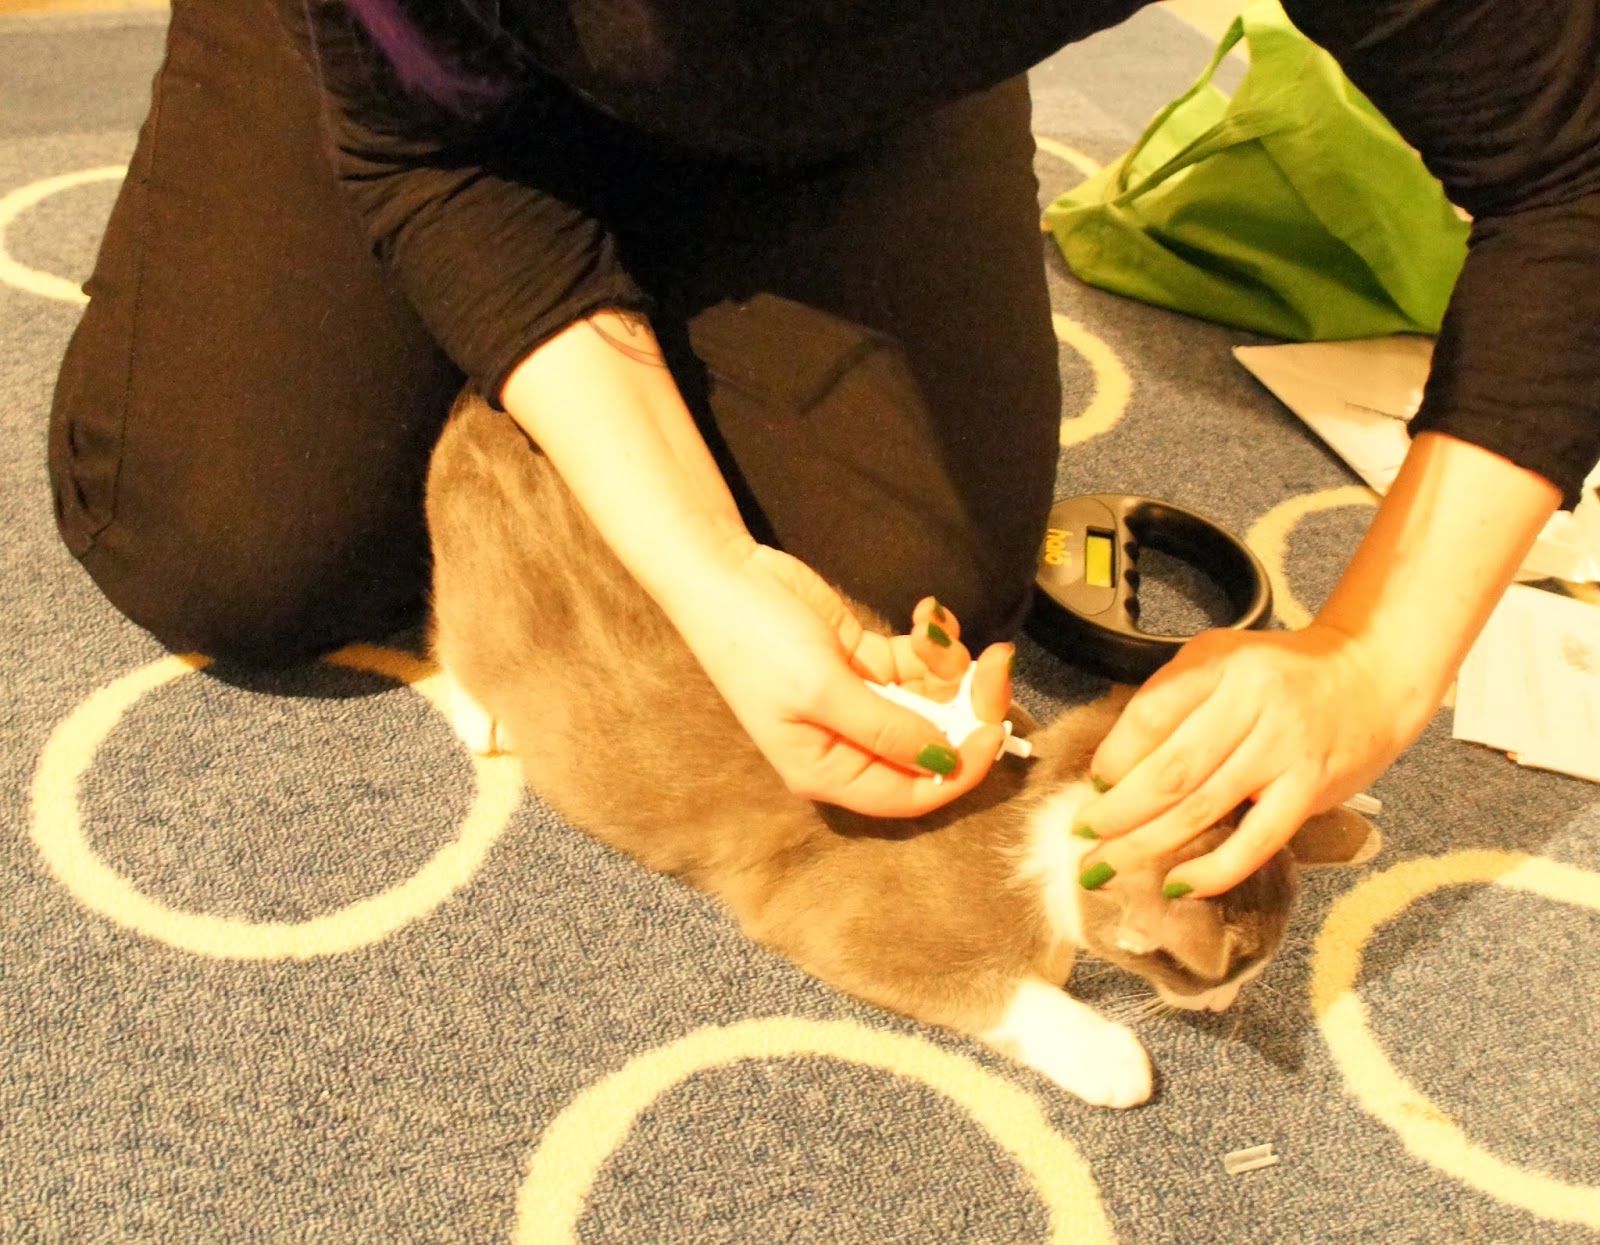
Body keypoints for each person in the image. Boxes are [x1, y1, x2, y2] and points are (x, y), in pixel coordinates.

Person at [48, 1, 1598, 896]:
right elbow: (424, 156)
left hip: (850, 79)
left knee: (906, 595)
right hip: (424, 70)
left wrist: (1375, 657)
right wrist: (703, 561)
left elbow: (1572, 169)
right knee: (222, 537)